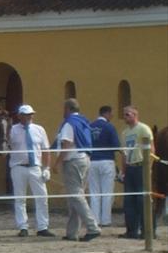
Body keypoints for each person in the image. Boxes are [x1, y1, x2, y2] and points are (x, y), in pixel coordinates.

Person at [54, 98, 100, 242]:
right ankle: (72, 232)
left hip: (73, 160)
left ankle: (93, 227)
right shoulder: (84, 122)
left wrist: (57, 162)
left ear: (67, 109)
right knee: (76, 196)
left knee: (75, 195)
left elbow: (66, 144)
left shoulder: (69, 124)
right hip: (85, 158)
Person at [7, 104, 55, 238]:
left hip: (35, 167)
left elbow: (46, 150)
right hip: (18, 167)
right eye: (26, 115)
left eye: (30, 114)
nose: (29, 117)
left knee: (42, 197)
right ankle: (23, 226)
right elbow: (6, 147)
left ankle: (42, 227)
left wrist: (47, 168)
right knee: (20, 198)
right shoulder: (12, 130)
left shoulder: (39, 129)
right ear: (19, 116)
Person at [118, 104, 155, 239]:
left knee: (142, 199)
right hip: (130, 168)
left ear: (135, 115)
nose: (125, 117)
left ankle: (147, 231)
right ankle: (131, 230)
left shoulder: (143, 129)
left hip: (141, 167)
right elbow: (124, 154)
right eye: (124, 114)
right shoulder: (124, 133)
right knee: (129, 200)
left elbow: (151, 150)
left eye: (128, 114)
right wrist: (123, 171)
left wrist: (148, 167)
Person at [87, 105, 120, 227]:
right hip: (106, 160)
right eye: (111, 114)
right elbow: (116, 145)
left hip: (92, 161)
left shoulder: (90, 126)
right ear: (107, 113)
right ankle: (106, 220)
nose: (112, 116)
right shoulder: (109, 127)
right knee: (107, 192)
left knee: (94, 192)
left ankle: (95, 219)